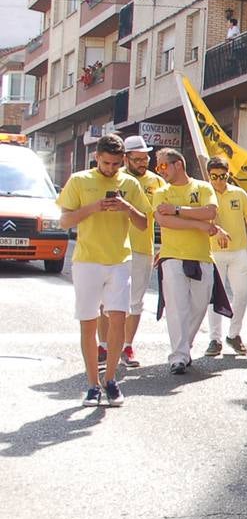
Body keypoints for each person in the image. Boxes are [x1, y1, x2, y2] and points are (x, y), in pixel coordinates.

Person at [56, 133, 150, 407]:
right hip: (87, 261)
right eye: (106, 163)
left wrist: (126, 206)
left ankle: (111, 381)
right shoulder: (79, 180)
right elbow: (64, 221)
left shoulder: (130, 183)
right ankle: (92, 384)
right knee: (88, 323)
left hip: (120, 260)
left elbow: (144, 223)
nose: (111, 169)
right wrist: (94, 207)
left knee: (118, 321)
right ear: (96, 157)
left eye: (116, 164)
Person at [151, 149, 223, 375]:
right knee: (176, 307)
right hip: (172, 256)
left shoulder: (202, 187)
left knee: (199, 306)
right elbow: (164, 221)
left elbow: (210, 212)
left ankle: (184, 347)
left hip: (202, 256)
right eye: (158, 167)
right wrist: (198, 225)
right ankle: (179, 356)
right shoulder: (161, 191)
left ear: (178, 165)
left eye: (163, 166)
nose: (160, 171)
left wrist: (177, 210)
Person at [112, 135, 164, 369]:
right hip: (114, 247)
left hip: (143, 248)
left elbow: (163, 216)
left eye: (146, 158)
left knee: (136, 301)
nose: (143, 163)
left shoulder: (156, 181)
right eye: (138, 159)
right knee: (112, 300)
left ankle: (127, 346)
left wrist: (163, 246)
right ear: (126, 158)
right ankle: (107, 344)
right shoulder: (115, 178)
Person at [205, 157, 247, 358]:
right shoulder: (205, 192)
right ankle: (215, 338)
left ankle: (234, 334)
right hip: (213, 252)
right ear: (209, 175)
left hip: (238, 251)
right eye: (214, 176)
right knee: (215, 297)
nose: (219, 181)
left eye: (223, 176)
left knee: (242, 293)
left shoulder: (238, 193)